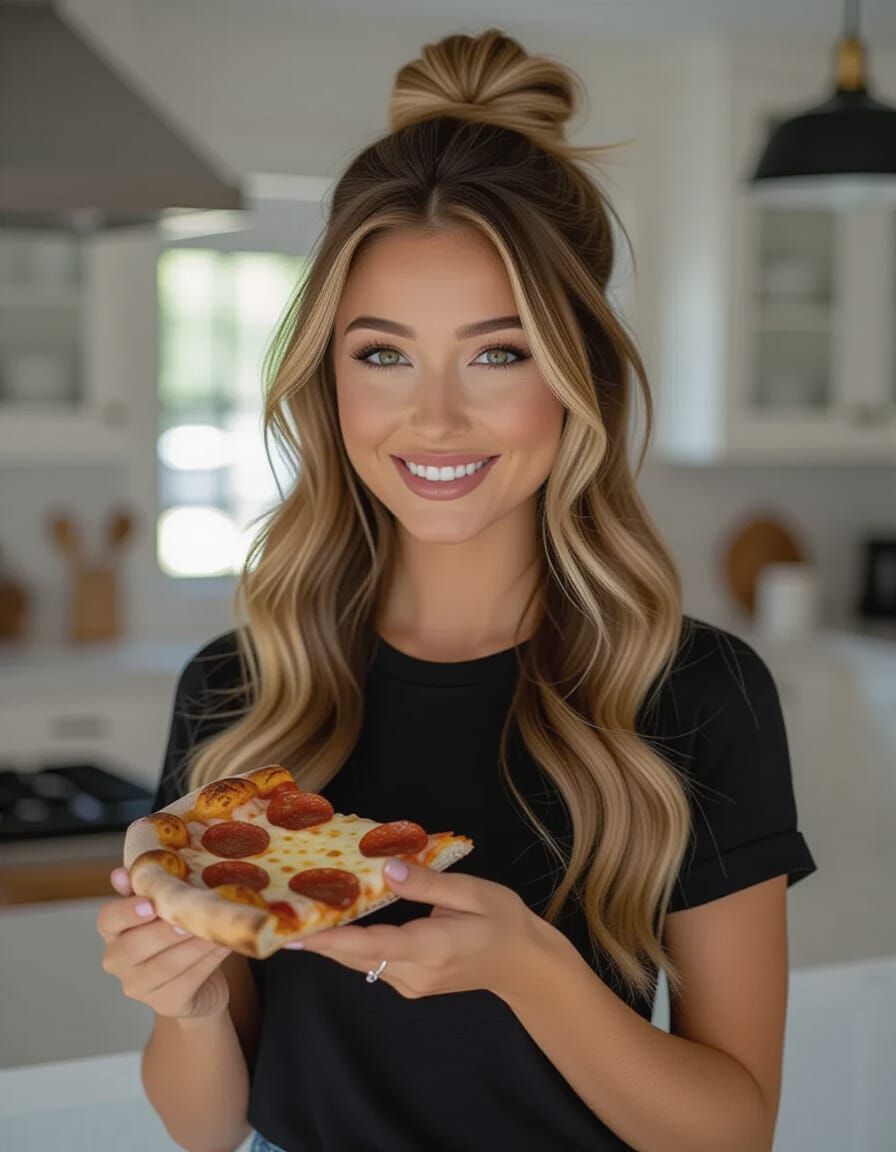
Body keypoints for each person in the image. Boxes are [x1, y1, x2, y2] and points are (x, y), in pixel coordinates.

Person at [96, 26, 818, 1152]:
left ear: (577, 373)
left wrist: (532, 969)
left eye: (498, 352)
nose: (433, 418)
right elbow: (206, 1127)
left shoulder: (692, 693)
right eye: (381, 354)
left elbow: (731, 1132)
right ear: (326, 380)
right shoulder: (242, 690)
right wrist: (181, 1003)